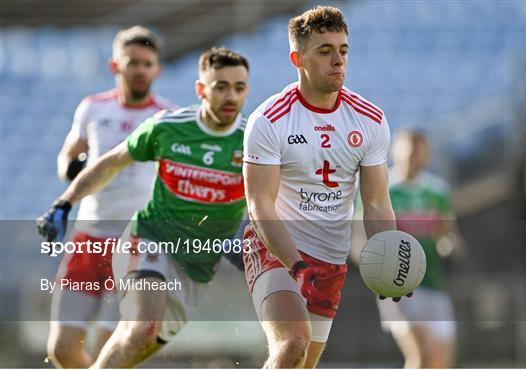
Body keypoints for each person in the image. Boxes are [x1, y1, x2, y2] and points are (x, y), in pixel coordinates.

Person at [37, 47, 250, 368]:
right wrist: (64, 202)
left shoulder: (254, 139)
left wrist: (249, 236)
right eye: (220, 86)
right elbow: (110, 163)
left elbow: (269, 197)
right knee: (140, 330)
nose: (230, 95)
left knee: (133, 350)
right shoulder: (167, 127)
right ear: (201, 89)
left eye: (239, 87)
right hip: (149, 240)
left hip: (196, 266)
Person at [242, 6, 408, 368]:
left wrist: (391, 258)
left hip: (331, 262)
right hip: (277, 249)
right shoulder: (269, 120)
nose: (338, 60)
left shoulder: (370, 120)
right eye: (325, 51)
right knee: (292, 343)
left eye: (343, 50)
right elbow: (260, 207)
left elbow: (377, 203)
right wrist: (298, 266)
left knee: (302, 363)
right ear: (297, 58)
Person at [45, 25, 175, 368]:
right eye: (133, 62)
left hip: (136, 244)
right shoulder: (92, 108)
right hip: (89, 238)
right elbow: (67, 156)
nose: (140, 70)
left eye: (148, 63)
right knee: (62, 349)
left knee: (109, 351)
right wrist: (73, 169)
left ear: (157, 68)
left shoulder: (168, 118)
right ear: (115, 66)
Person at [376, 130, 461, 368]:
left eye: (420, 151)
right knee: (422, 354)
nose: (415, 156)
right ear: (397, 151)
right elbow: (367, 237)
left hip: (434, 283)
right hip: (398, 286)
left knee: (441, 361)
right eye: (410, 150)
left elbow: (450, 233)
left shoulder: (437, 191)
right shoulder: (384, 189)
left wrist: (450, 247)